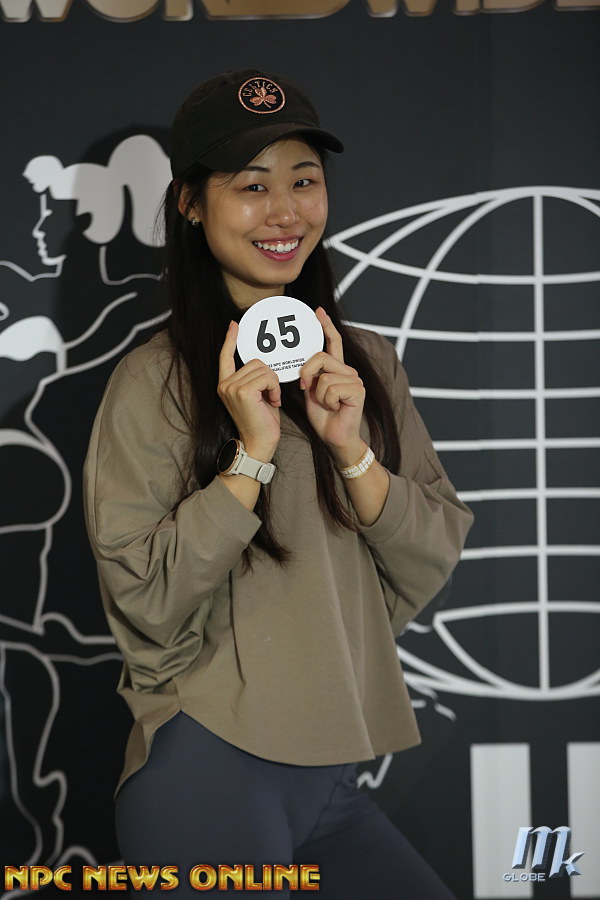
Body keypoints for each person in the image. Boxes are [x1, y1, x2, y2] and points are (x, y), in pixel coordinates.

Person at [83, 68, 474, 898]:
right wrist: (251, 455)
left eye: (304, 180)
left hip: (330, 783)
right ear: (191, 203)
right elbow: (144, 598)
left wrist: (351, 450)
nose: (286, 211)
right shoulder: (155, 381)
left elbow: (430, 551)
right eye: (252, 186)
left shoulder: (366, 367)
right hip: (206, 770)